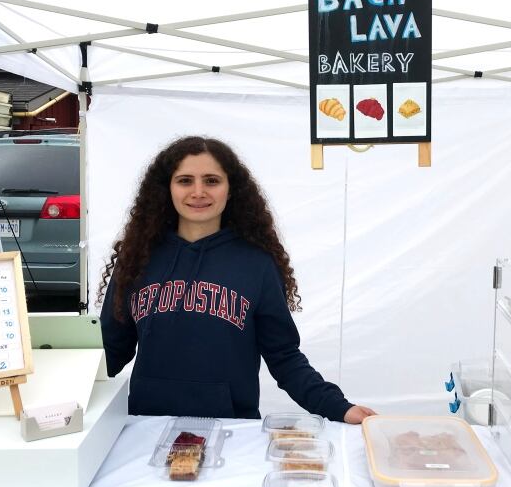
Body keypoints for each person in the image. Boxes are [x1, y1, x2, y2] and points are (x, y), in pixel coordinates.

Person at [98, 136, 375, 424]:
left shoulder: (256, 264)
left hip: (231, 431)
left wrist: (338, 407)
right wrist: (63, 388)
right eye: (184, 181)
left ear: (231, 190)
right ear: (166, 189)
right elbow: (110, 351)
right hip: (146, 428)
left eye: (212, 180)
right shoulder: (136, 258)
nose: (198, 191)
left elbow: (283, 356)